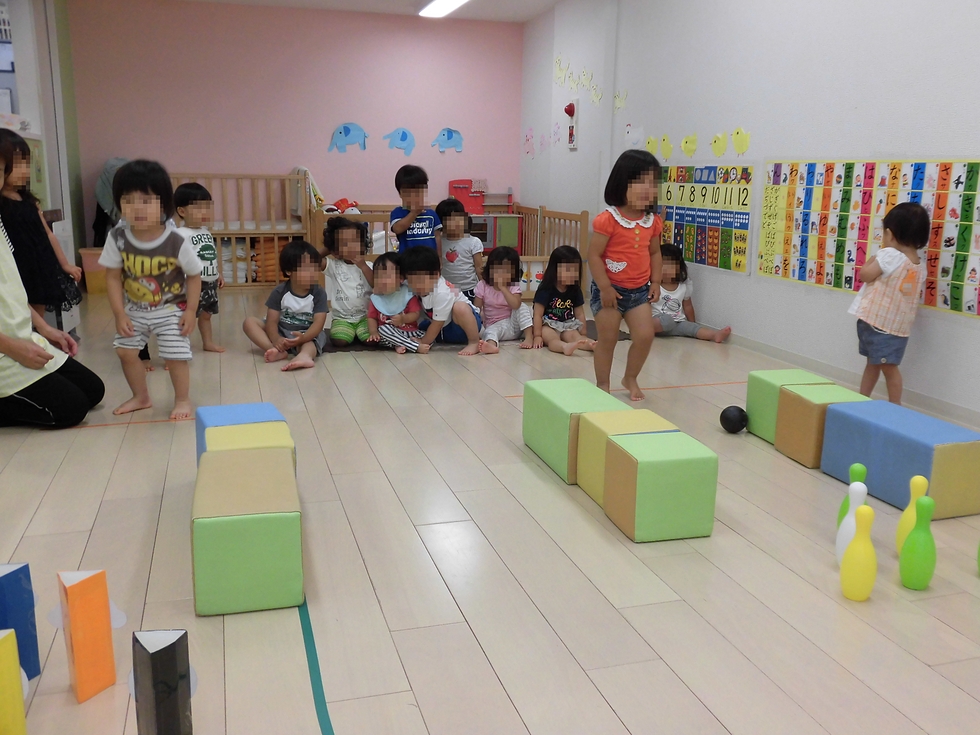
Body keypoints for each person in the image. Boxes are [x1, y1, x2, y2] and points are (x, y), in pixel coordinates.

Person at [99, 160, 202, 419]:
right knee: (125, 351)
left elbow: (194, 275)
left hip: (171, 308)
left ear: (163, 204)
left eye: (146, 201)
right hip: (135, 308)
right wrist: (119, 313)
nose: (137, 208)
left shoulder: (175, 240)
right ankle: (141, 397)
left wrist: (191, 311)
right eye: (128, 201)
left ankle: (182, 399)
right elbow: (112, 277)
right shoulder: (117, 237)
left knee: (175, 355)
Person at [0, 198, 104, 426]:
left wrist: (44, 328)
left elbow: (10, 290)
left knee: (93, 390)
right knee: (72, 408)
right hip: (6, 348)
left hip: (21, 338)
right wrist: (13, 348)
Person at [588, 150, 663, 400]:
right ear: (622, 183)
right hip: (610, 291)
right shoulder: (608, 220)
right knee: (608, 338)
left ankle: (630, 377)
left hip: (639, 291)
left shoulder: (652, 221)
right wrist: (605, 287)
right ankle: (602, 384)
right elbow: (594, 256)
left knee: (645, 336)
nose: (647, 189)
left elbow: (655, 253)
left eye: (652, 183)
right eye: (640, 182)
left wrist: (656, 281)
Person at [849, 202, 929, 404]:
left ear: (890, 235)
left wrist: (874, 258)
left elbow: (865, 275)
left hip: (877, 324)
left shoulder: (890, 256)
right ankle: (862, 399)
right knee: (878, 364)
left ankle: (894, 406)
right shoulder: (919, 266)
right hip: (897, 328)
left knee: (887, 368)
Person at [0, 129, 82, 316]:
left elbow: (48, 235)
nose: (25, 170)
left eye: (26, 164)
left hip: (38, 268)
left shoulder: (29, 202)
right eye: (17, 164)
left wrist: (65, 264)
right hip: (16, 269)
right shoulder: (2, 205)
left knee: (38, 313)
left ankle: (40, 333)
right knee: (18, 313)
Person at [243, 240, 328, 371]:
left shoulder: (319, 293)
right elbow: (271, 321)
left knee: (311, 343)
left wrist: (303, 338)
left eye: (314, 268)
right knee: (249, 322)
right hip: (281, 330)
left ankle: (304, 356)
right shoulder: (280, 292)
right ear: (289, 271)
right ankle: (274, 350)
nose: (312, 273)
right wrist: (276, 339)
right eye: (306, 269)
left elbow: (318, 323)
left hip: (306, 333)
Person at [401, 245, 482, 356]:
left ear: (436, 275)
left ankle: (474, 342)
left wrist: (423, 342)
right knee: (421, 327)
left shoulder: (443, 292)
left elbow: (438, 324)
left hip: (463, 325)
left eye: (420, 281)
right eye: (411, 281)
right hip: (444, 328)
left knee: (460, 308)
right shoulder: (417, 287)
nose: (416, 286)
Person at [175, 183, 224, 352]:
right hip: (191, 284)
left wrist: (217, 273)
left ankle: (207, 342)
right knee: (186, 316)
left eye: (207, 207)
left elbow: (209, 256)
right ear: (182, 211)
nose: (205, 212)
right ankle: (178, 348)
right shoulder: (180, 234)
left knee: (206, 315)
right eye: (198, 208)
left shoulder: (205, 232)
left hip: (209, 282)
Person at [653, 244, 731, 342]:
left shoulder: (684, 286)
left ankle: (715, 335)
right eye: (662, 266)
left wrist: (692, 323)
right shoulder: (653, 286)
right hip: (657, 323)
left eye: (671, 266)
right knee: (666, 320)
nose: (666, 270)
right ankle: (642, 329)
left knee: (693, 328)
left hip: (677, 323)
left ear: (679, 268)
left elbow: (688, 306)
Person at [321, 217, 374, 347]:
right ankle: (348, 331)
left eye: (355, 241)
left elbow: (375, 284)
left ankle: (358, 332)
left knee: (372, 340)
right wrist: (329, 249)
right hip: (342, 318)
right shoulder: (334, 266)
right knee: (340, 341)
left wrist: (363, 266)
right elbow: (311, 259)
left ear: (363, 244)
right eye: (345, 244)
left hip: (366, 317)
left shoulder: (369, 265)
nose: (351, 247)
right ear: (336, 250)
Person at [532, 245, 595, 355]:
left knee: (576, 337)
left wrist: (583, 333)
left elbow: (580, 314)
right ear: (554, 270)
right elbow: (537, 314)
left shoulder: (575, 290)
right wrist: (537, 335)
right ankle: (564, 347)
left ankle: (593, 345)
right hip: (548, 324)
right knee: (552, 338)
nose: (572, 275)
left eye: (575, 271)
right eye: (568, 270)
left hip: (567, 324)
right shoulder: (545, 289)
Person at [473, 246, 533, 353]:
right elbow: (477, 308)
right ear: (490, 269)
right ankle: (491, 345)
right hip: (493, 325)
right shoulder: (483, 285)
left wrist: (503, 288)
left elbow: (515, 305)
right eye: (497, 269)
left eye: (506, 271)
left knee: (522, 306)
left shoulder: (513, 286)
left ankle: (529, 337)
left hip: (513, 325)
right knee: (489, 332)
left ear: (514, 272)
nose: (501, 274)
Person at [366, 252, 429, 353]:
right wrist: (373, 332)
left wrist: (403, 319)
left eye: (387, 276)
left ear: (401, 278)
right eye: (378, 277)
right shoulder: (376, 298)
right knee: (382, 330)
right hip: (388, 334)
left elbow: (416, 314)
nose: (382, 281)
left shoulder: (407, 294)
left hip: (409, 332)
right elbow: (371, 318)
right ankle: (414, 346)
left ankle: (402, 344)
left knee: (428, 335)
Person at [436, 197, 482, 299]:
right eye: (450, 220)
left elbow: (479, 268)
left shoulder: (473, 242)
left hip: (469, 289)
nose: (456, 222)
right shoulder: (439, 242)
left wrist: (485, 289)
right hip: (446, 290)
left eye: (459, 217)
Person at [390, 165, 442, 254]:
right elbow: (398, 229)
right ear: (400, 194)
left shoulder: (431, 213)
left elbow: (437, 237)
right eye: (409, 194)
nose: (413, 197)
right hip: (407, 258)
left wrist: (439, 257)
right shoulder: (398, 212)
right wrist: (414, 213)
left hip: (430, 258)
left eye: (418, 193)